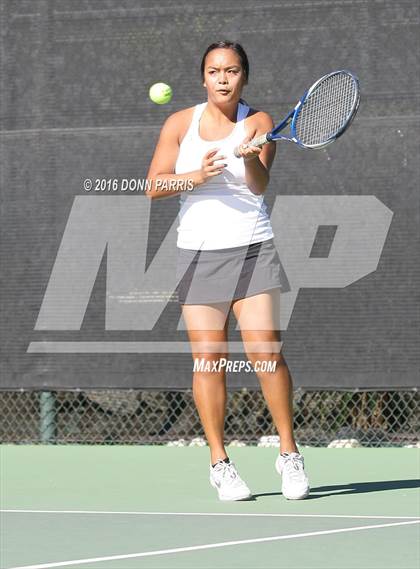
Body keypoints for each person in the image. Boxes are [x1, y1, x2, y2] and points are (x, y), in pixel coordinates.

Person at [146, 40, 309, 501]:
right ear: (204, 78)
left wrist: (250, 157)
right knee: (209, 360)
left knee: (265, 353)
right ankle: (220, 462)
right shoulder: (180, 124)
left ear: (243, 77)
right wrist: (195, 177)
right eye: (215, 71)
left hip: (252, 248)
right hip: (197, 255)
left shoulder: (258, 123)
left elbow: (259, 187)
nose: (223, 78)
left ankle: (289, 454)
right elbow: (154, 186)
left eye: (232, 71)